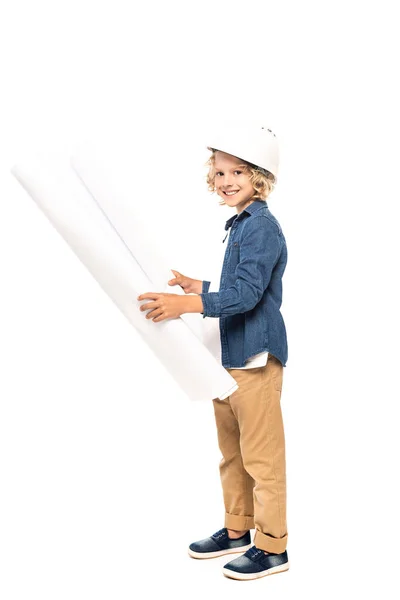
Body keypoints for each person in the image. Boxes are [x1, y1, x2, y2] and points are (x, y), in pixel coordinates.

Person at [137, 125, 289, 581]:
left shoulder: (261, 225)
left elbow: (246, 296)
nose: (225, 180)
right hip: (229, 357)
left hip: (256, 359)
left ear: (259, 177)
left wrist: (189, 304)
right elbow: (240, 289)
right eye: (219, 171)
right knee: (233, 454)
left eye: (237, 171)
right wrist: (198, 287)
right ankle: (238, 530)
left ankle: (273, 547)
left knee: (262, 458)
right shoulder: (241, 222)